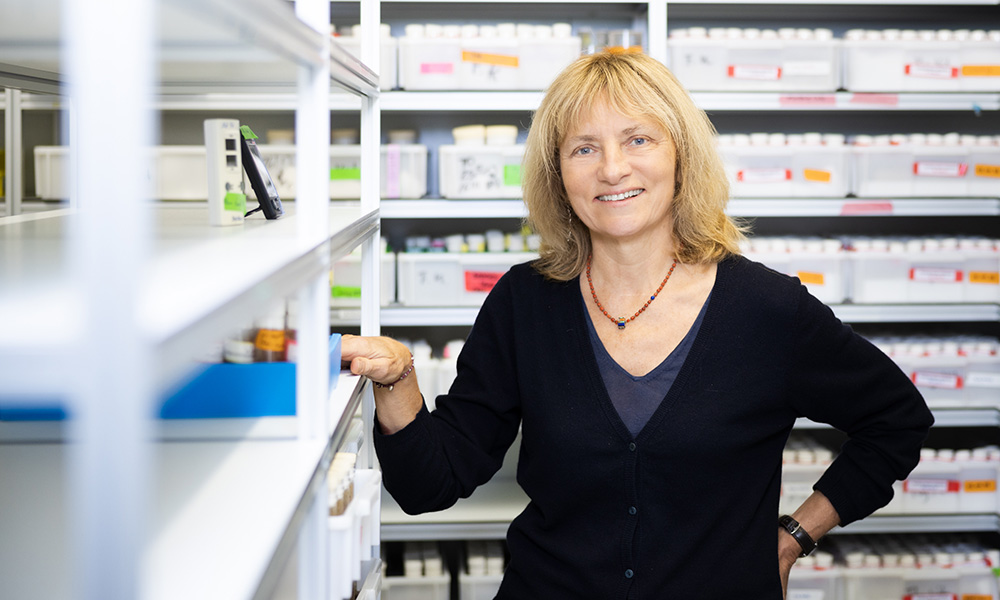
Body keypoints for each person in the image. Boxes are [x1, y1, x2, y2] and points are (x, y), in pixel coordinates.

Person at [341, 51, 933, 599]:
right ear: (559, 176)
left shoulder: (767, 310)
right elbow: (430, 485)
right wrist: (397, 380)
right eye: (584, 148)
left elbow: (897, 420)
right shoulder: (526, 302)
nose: (612, 168)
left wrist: (796, 535)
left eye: (638, 139)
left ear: (681, 154)